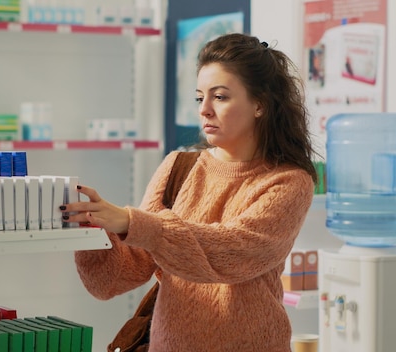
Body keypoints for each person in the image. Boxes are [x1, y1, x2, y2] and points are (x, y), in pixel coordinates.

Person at [59, 33, 318, 352]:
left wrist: (131, 222)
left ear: (260, 105)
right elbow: (121, 275)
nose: (205, 110)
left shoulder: (288, 181)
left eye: (220, 97)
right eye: (200, 98)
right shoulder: (178, 166)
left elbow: (232, 253)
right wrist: (93, 230)